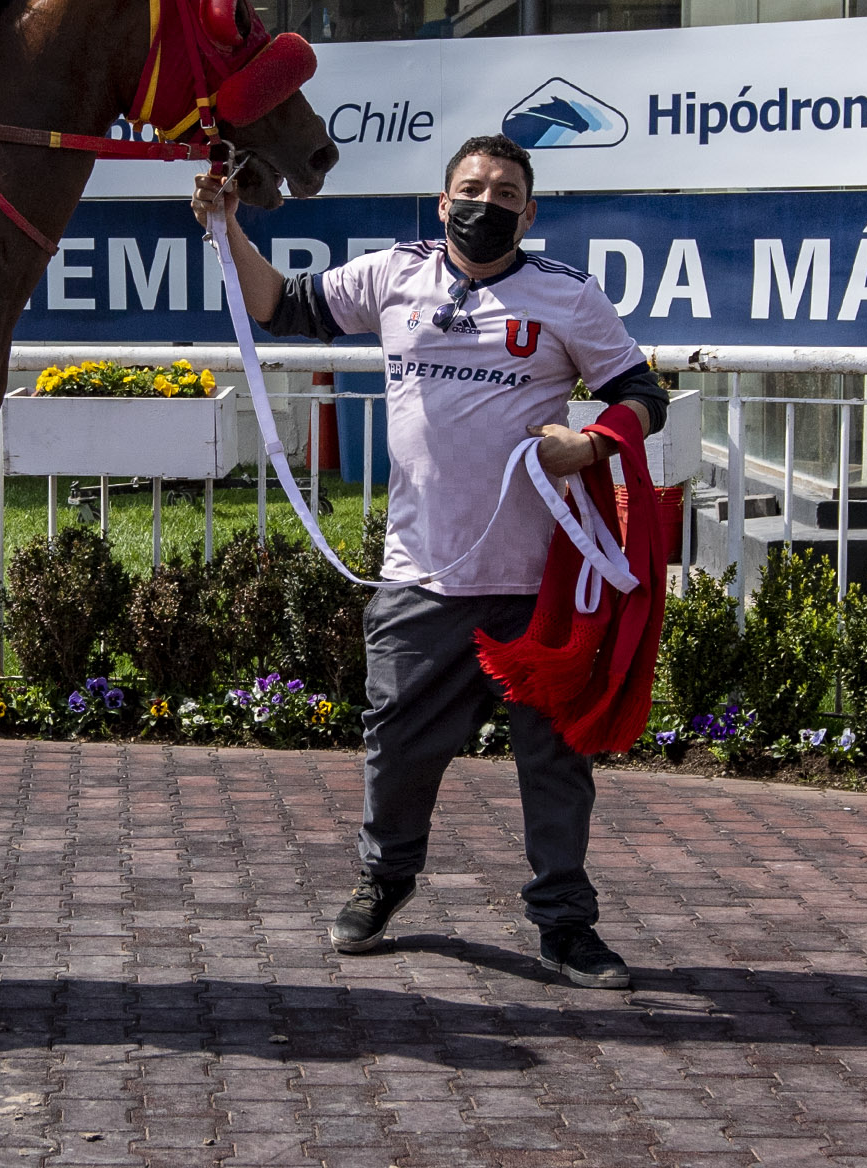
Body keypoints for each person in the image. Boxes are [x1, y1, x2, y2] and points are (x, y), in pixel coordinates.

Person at [195, 133, 668, 989]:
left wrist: (593, 443)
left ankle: (566, 924)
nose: (486, 203)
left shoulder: (568, 296)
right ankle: (384, 882)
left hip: (539, 585)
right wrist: (227, 225)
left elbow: (641, 394)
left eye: (506, 193)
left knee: (555, 761)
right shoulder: (394, 274)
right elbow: (285, 306)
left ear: (530, 212)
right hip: (421, 574)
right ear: (444, 202)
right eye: (471, 189)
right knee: (398, 746)